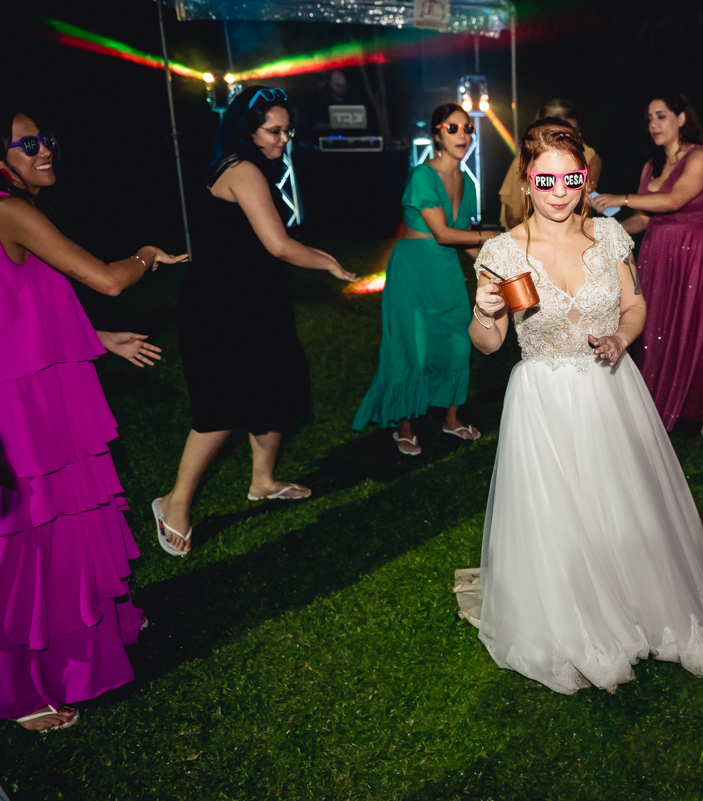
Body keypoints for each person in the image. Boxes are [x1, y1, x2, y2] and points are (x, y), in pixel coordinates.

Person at [466, 119, 703, 694]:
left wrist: (621, 338)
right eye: (546, 179)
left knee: (622, 507)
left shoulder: (609, 237)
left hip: (610, 390)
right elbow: (488, 344)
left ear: (584, 179)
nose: (560, 191)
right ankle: (572, 617)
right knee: (559, 517)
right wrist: (484, 310)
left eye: (572, 179)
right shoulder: (503, 253)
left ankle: (637, 602)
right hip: (543, 403)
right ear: (527, 180)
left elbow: (635, 307)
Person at [0, 107, 186, 731]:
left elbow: (20, 306)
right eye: (27, 144)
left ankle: (92, 631)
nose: (44, 150)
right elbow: (106, 279)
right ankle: (19, 689)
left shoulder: (17, 210)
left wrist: (98, 339)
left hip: (43, 388)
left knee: (69, 519)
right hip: (22, 406)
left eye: (46, 138)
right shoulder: (10, 210)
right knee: (28, 538)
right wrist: (145, 256)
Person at [155, 87, 357, 557]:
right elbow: (279, 244)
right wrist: (327, 263)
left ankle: (262, 481)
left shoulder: (252, 167)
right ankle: (174, 502)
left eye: (287, 130)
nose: (283, 139)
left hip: (255, 299)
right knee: (222, 404)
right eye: (274, 131)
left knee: (276, 384)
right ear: (247, 131)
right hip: (221, 306)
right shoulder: (242, 169)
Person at [590, 92, 703, 438]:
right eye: (649, 118)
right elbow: (645, 217)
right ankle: (653, 398)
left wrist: (620, 198)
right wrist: (608, 233)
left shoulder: (701, 157)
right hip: (658, 254)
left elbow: (674, 200)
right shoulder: (651, 166)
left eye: (661, 116)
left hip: (696, 255)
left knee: (699, 326)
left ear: (682, 118)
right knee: (653, 326)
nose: (653, 125)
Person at [353, 103, 495, 455]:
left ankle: (451, 419)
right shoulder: (422, 176)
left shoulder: (467, 182)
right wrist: (498, 236)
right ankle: (404, 426)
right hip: (412, 272)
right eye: (452, 128)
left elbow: (463, 240)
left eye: (468, 128)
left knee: (458, 343)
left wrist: (495, 265)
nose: (463, 135)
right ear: (436, 135)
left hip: (445, 270)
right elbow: (444, 234)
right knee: (412, 349)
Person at [498, 99, 600, 230]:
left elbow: (589, 199)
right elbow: (512, 217)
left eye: (575, 131)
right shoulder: (524, 161)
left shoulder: (589, 156)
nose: (560, 192)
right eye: (563, 131)